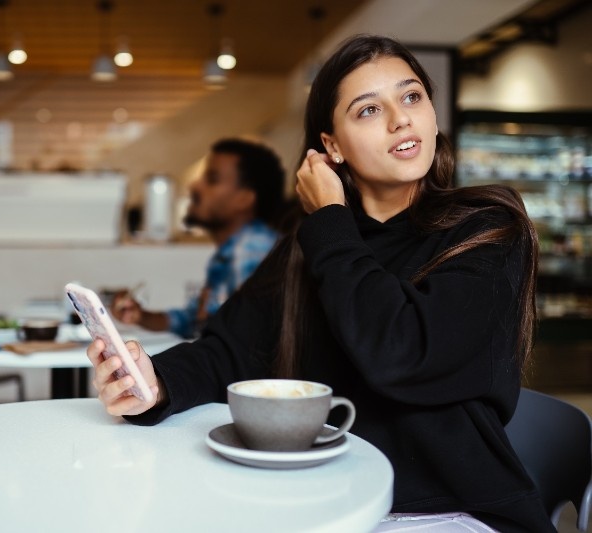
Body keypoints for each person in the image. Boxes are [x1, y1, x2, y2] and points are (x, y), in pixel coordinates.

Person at [86, 35, 555, 532]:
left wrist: (330, 218)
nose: (401, 119)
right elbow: (229, 351)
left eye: (412, 96)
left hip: (445, 510)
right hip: (319, 501)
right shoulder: (314, 243)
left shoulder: (485, 226)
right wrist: (153, 383)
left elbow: (403, 353)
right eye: (369, 110)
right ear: (332, 146)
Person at [112, 138, 285, 339]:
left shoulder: (252, 249)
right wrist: (140, 316)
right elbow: (190, 320)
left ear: (244, 199)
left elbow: (244, 341)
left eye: (212, 179)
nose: (195, 186)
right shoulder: (229, 252)